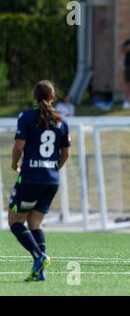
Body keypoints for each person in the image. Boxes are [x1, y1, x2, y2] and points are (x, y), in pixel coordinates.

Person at [8, 80, 71, 281]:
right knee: (35, 223)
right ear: (53, 97)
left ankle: (39, 256)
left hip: (30, 178)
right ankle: (39, 272)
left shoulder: (26, 116)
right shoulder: (61, 120)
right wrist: (53, 169)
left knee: (15, 221)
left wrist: (14, 164)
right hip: (52, 180)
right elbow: (66, 153)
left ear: (34, 96)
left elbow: (19, 146)